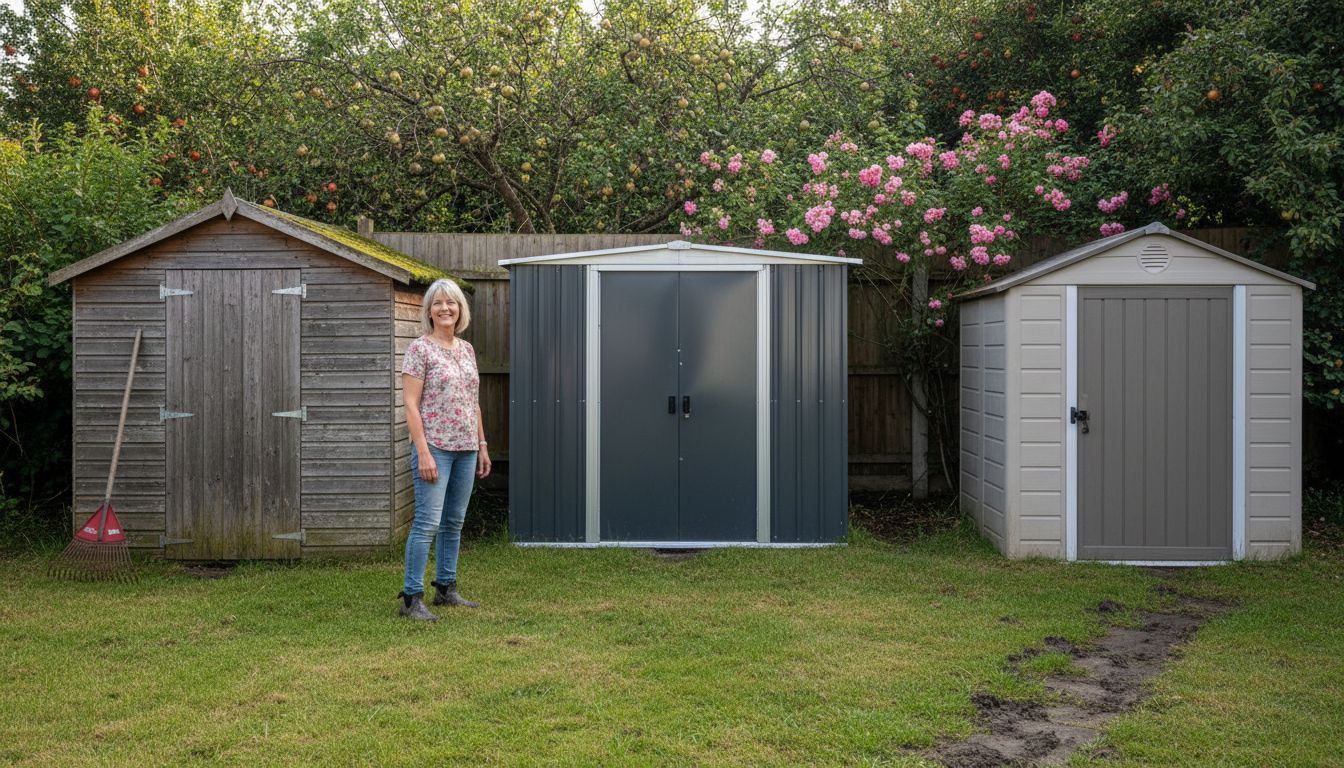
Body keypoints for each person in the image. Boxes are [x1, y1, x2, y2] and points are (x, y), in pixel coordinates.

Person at [396, 278, 491, 620]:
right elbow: (410, 404)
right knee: (427, 523)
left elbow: (473, 402)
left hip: (466, 448)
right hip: (434, 446)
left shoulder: (466, 350)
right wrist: (422, 450)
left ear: (460, 310)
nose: (445, 308)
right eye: (437, 303)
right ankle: (411, 598)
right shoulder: (419, 349)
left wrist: (482, 444)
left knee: (454, 522)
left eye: (451, 303)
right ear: (429, 311)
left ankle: (446, 589)